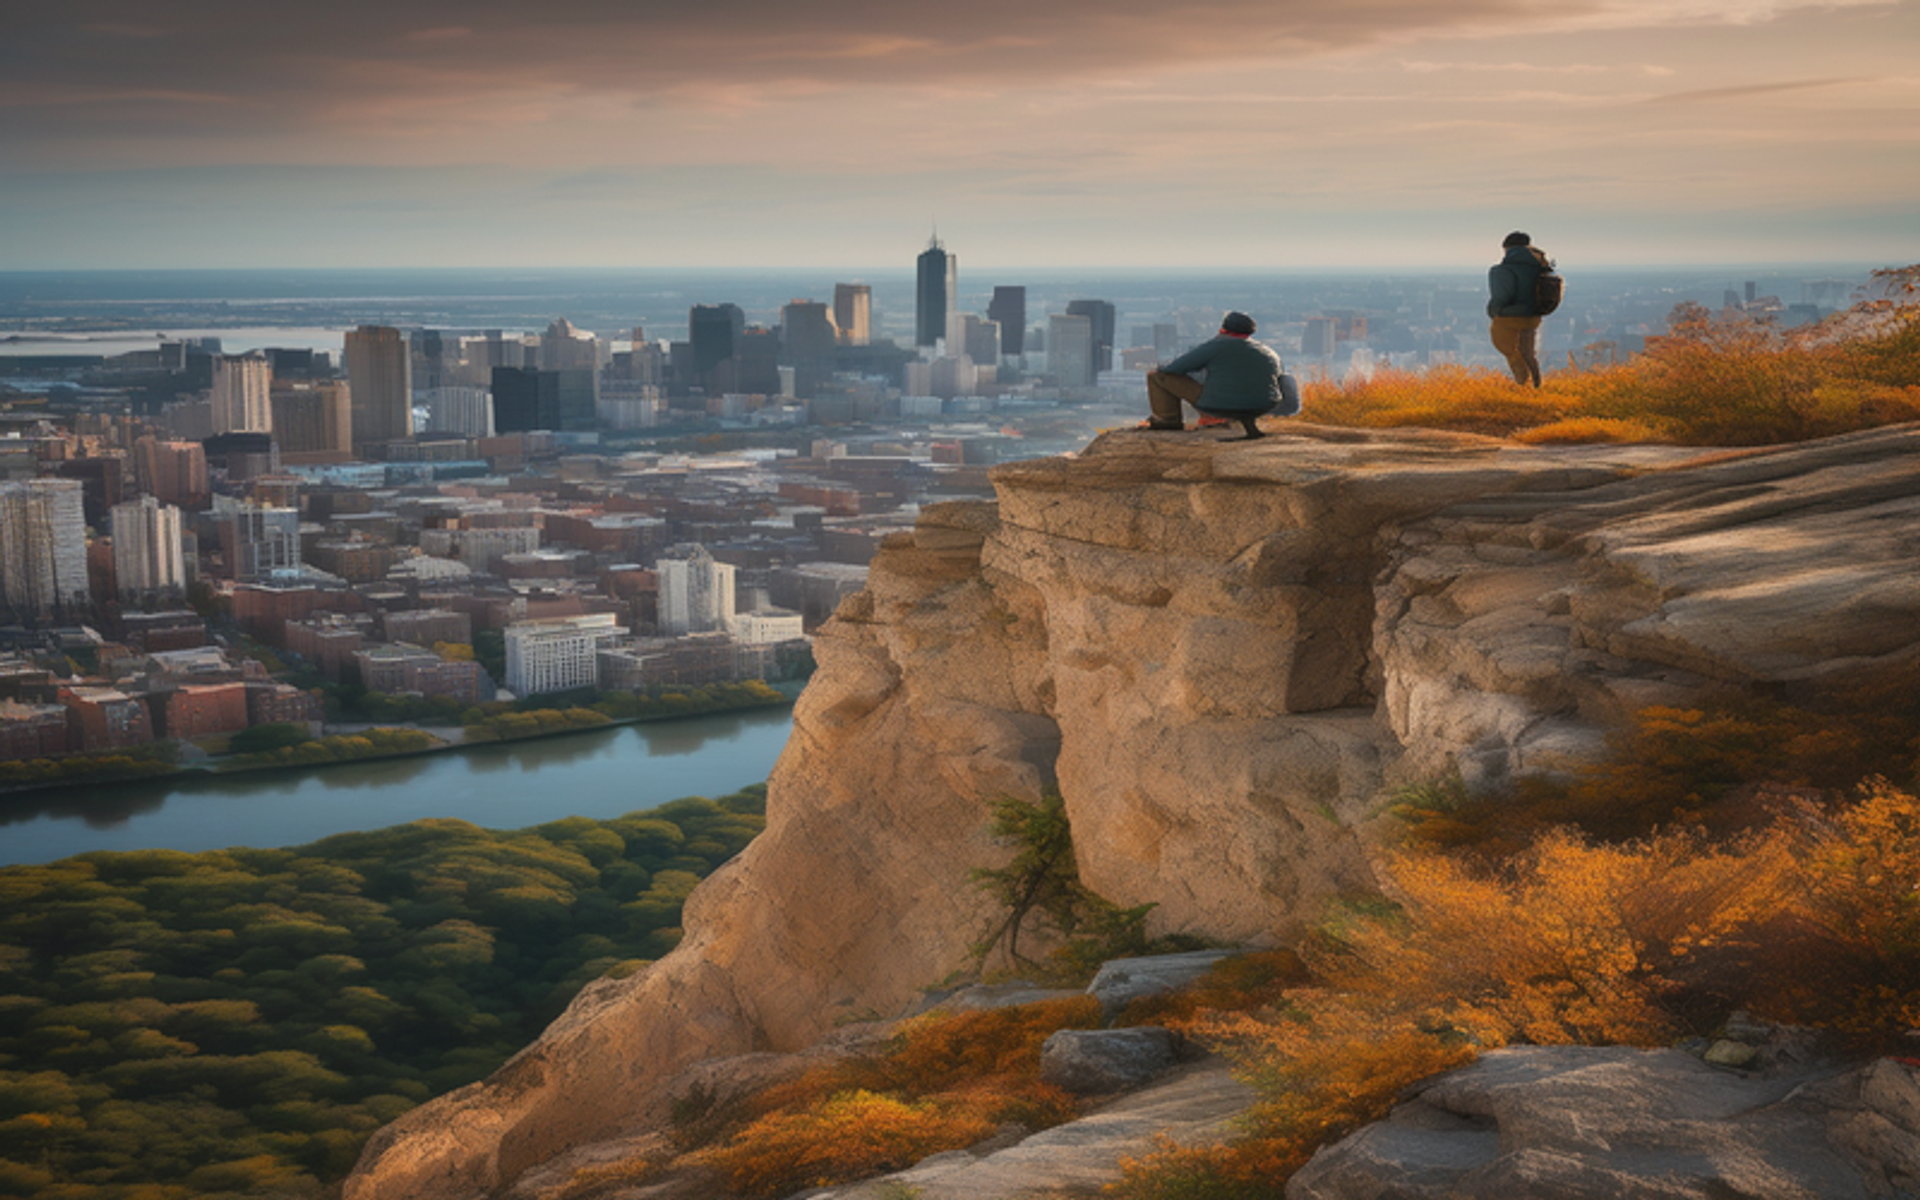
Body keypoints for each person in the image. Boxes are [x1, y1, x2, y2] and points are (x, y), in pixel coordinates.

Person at [1141, 311, 1287, 440]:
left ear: (1223, 329)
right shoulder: (1267, 351)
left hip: (1222, 406)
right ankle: (1241, 421)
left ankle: (1168, 421)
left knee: (1157, 376)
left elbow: (1174, 369)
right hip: (1265, 405)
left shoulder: (1216, 346)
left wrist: (1163, 366)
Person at [1488, 231, 1551, 387]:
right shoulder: (1539, 265)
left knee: (1508, 348)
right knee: (1528, 352)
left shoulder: (1503, 270)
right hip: (1533, 316)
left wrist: (1493, 311)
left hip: (1510, 317)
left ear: (1507, 248)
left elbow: (1501, 296)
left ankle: (1521, 382)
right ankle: (1537, 384)